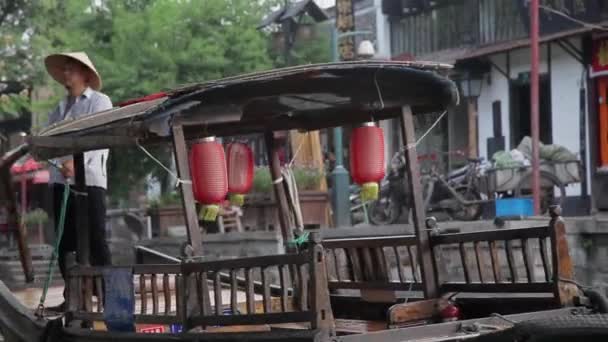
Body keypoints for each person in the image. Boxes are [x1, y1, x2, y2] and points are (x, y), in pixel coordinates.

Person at [44, 52, 112, 311]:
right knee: (64, 243)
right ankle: (73, 297)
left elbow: (102, 135)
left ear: (85, 74)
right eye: (65, 70)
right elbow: (48, 142)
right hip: (62, 182)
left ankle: (108, 297)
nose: (66, 74)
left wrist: (76, 163)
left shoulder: (99, 102)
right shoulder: (59, 109)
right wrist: (60, 164)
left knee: (96, 238)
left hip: (91, 180)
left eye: (71, 69)